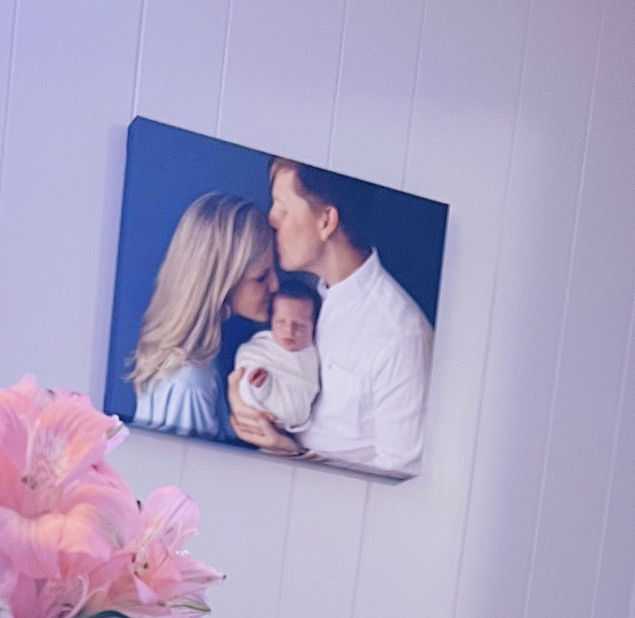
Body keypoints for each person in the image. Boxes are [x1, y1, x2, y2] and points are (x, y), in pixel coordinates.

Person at [228, 158, 433, 477]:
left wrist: (292, 452)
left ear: (326, 221)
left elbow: (400, 481)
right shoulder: (300, 299)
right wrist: (246, 400)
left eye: (282, 206)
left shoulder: (400, 337)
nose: (271, 218)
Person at [130, 194, 276, 440]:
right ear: (220, 282)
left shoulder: (199, 365)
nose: (275, 285)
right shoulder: (190, 383)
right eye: (261, 277)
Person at [230, 276, 320, 434]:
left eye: (300, 326)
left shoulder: (312, 356)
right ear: (271, 321)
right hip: (256, 415)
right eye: (280, 322)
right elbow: (242, 374)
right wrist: (258, 385)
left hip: (293, 426)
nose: (289, 331)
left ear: (314, 327)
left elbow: (303, 403)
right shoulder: (259, 349)